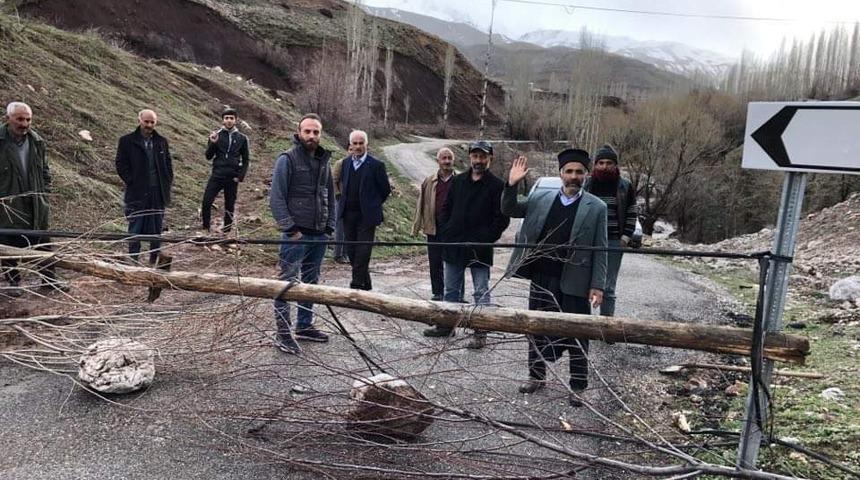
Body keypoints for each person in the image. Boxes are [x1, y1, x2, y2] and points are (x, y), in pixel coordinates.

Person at [502, 149, 607, 407]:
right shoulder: (540, 197)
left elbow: (602, 249)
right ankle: (536, 376)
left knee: (577, 334)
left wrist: (597, 285)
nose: (573, 177)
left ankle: (578, 386)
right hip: (542, 277)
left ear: (586, 175)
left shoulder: (597, 207)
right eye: (568, 171)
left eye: (578, 172)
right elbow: (510, 208)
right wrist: (511, 185)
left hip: (575, 282)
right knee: (535, 327)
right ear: (561, 174)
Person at [422, 140, 510, 350]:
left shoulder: (497, 185)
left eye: (483, 157)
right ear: (470, 157)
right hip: (455, 244)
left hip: (480, 247)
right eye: (475, 156)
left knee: (481, 290)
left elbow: (502, 218)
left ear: (490, 158)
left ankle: (481, 331)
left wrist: (487, 237)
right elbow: (446, 209)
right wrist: (446, 231)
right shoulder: (459, 181)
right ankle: (446, 325)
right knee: (450, 290)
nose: (478, 161)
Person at [270, 113, 335, 354]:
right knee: (286, 283)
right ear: (299, 133)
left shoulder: (324, 161)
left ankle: (304, 325)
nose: (311, 136)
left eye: (316, 132)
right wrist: (290, 228)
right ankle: (283, 333)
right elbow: (276, 198)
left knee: (311, 283)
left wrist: (330, 227)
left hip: (319, 234)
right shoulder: (287, 159)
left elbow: (330, 195)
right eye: (307, 131)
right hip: (295, 234)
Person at [0, 102, 65, 296]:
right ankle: (13, 283)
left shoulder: (37, 142)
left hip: (36, 202)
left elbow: (45, 171)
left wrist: (44, 192)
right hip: (8, 203)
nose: (25, 123)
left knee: (43, 241)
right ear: (8, 118)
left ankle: (49, 280)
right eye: (20, 119)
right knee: (8, 241)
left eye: (28, 119)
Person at [584, 144, 637, 317]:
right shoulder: (588, 184)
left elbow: (631, 213)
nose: (604, 166)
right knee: (583, 281)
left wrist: (625, 237)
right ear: (595, 165)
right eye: (600, 163)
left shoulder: (625, 186)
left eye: (608, 163)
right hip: (589, 240)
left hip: (614, 240)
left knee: (608, 286)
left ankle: (607, 327)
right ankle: (580, 324)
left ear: (615, 165)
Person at [115, 109, 173, 265]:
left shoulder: (161, 142)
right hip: (137, 192)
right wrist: (131, 180)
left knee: (156, 227)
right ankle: (133, 260)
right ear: (139, 120)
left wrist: (167, 182)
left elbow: (168, 164)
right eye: (146, 121)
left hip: (157, 192)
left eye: (152, 122)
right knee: (136, 226)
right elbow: (120, 164)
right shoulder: (127, 141)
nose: (149, 125)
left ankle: (154, 260)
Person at [336, 130, 391, 291]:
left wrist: (372, 204)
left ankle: (357, 284)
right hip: (348, 214)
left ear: (367, 145)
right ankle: (366, 283)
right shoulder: (345, 163)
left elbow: (385, 189)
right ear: (350, 145)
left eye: (361, 143)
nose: (358, 146)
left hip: (367, 216)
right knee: (351, 250)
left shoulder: (376, 165)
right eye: (355, 143)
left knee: (363, 249)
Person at [411, 147, 456, 301]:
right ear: (438, 161)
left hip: (453, 228)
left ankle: (455, 292)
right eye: (444, 158)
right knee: (435, 261)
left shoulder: (460, 181)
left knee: (455, 262)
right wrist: (416, 227)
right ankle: (438, 292)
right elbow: (420, 204)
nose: (447, 161)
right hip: (433, 226)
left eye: (449, 158)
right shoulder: (429, 181)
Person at [200, 106, 250, 233]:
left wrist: (240, 176)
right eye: (226, 118)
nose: (228, 120)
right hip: (217, 174)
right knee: (207, 201)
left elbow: (246, 159)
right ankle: (206, 228)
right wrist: (213, 143)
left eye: (231, 118)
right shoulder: (216, 135)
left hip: (232, 176)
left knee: (230, 205)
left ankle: (227, 231)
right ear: (222, 120)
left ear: (235, 120)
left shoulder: (242, 138)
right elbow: (208, 156)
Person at [330, 156, 349, 264]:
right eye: (350, 149)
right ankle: (338, 254)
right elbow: (334, 179)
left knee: (349, 228)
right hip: (341, 199)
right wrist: (338, 195)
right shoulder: (340, 163)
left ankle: (346, 253)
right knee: (340, 228)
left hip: (352, 201)